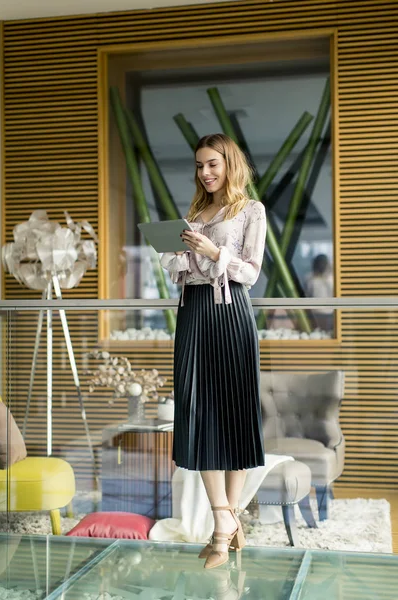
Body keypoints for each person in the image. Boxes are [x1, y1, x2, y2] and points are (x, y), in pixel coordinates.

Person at [160, 133, 267, 570]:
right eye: (200, 165)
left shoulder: (250, 210)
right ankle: (225, 518)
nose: (205, 172)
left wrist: (213, 250)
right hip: (193, 316)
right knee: (198, 411)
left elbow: (251, 273)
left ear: (229, 164)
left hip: (230, 316)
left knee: (234, 412)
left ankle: (221, 531)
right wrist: (178, 255)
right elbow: (181, 269)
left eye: (212, 164)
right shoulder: (195, 212)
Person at [305, 253, 334, 332]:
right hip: (322, 313)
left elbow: (307, 296)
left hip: (319, 313)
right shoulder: (311, 279)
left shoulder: (310, 279)